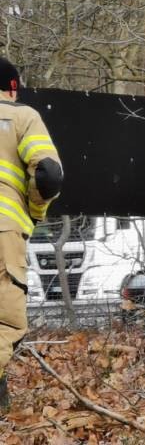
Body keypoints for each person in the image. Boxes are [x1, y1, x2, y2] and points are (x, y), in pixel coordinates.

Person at [0, 58, 63, 412]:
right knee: (6, 324)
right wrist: (34, 213)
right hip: (3, 230)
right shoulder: (22, 117)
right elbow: (49, 175)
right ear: (12, 87)